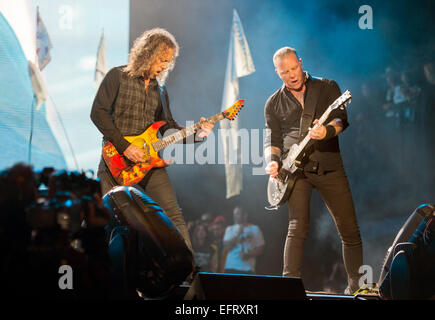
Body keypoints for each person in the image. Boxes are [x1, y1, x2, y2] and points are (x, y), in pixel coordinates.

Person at [90, 28, 214, 252]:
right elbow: (97, 113)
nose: (165, 66)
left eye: (169, 61)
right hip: (115, 162)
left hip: (149, 162)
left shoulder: (161, 89)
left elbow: (167, 129)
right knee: (109, 222)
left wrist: (199, 134)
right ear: (147, 53)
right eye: (162, 60)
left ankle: (191, 276)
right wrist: (126, 147)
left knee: (172, 215)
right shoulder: (117, 76)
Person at [264, 47, 363, 294]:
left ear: (300, 62)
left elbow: (341, 119)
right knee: (296, 227)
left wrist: (325, 132)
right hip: (295, 171)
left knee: (348, 228)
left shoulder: (327, 87)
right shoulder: (273, 103)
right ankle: (288, 288)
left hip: (329, 166)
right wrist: (273, 161)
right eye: (284, 72)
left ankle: (357, 288)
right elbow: (272, 139)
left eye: (294, 68)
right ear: (277, 73)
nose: (291, 75)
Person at [223, 206, 264, 274]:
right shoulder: (230, 229)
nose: (235, 216)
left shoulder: (255, 228)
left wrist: (248, 255)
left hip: (247, 269)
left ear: (245, 215)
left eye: (238, 214)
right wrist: (238, 234)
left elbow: (261, 249)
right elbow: (227, 247)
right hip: (230, 268)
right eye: (234, 214)